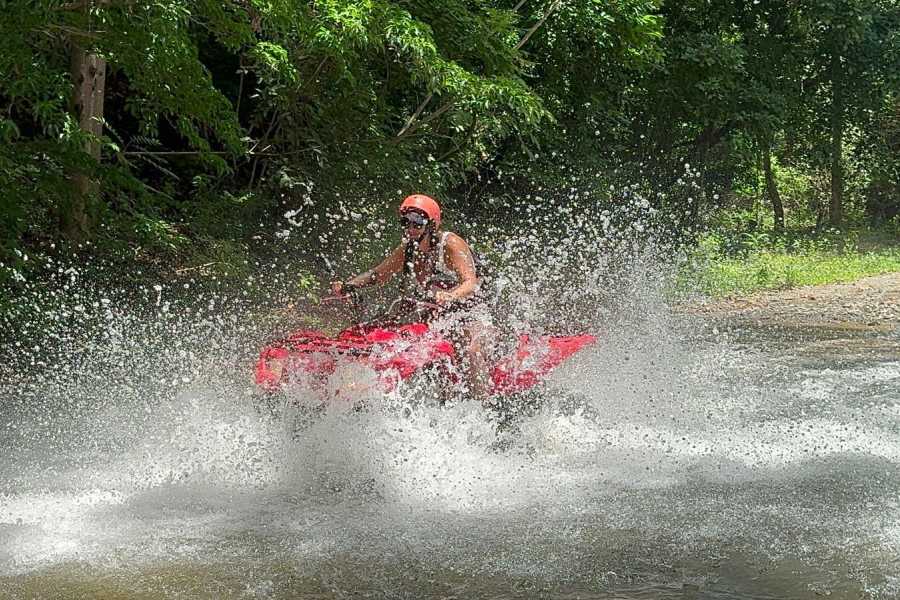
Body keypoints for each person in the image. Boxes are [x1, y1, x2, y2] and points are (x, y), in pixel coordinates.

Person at [331, 193, 493, 400]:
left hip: (471, 311)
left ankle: (482, 403)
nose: (410, 228)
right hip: (437, 313)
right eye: (405, 222)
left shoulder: (451, 244)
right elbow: (379, 274)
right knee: (402, 338)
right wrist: (349, 285)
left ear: (431, 224)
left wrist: (450, 295)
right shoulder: (408, 248)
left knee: (471, 348)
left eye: (417, 222)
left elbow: (470, 283)